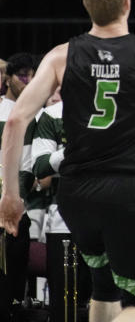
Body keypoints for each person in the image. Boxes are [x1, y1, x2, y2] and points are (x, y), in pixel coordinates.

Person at [0, 0, 135, 322]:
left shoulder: (61, 55)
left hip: (75, 194)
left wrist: (11, 196)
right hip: (124, 190)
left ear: (87, 6)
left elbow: (15, 121)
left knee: (104, 285)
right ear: (127, 3)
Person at [33, 87, 94, 322]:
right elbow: (40, 167)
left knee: (104, 301)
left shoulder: (115, 113)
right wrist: (73, 150)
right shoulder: (52, 114)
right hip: (63, 221)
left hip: (108, 218)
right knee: (63, 305)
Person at [0, 53, 38, 318]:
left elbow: (30, 164)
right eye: (22, 75)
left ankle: (15, 305)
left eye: (31, 75)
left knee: (15, 275)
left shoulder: (37, 114)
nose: (28, 81)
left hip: (21, 202)